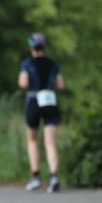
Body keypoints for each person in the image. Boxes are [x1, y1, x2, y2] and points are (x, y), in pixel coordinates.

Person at [18, 33, 66, 193]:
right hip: (50, 101)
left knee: (32, 140)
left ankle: (36, 177)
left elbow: (23, 83)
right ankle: (54, 177)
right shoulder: (53, 64)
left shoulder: (27, 63)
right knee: (50, 142)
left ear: (31, 47)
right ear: (44, 47)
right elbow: (61, 85)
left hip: (34, 100)